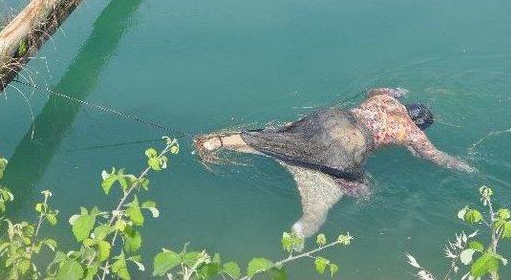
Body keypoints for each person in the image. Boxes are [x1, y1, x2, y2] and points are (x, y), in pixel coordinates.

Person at [194, 87, 474, 238]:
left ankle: (217, 142)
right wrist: (465, 166)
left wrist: (398, 91)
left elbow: (374, 88)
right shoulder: (412, 133)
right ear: (420, 126)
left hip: (330, 119)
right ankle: (306, 225)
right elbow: (435, 157)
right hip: (353, 141)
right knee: (361, 190)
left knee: (282, 136)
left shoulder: (384, 98)